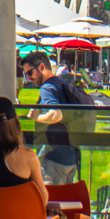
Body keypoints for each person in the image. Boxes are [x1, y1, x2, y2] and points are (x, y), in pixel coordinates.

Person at [23, 51, 86, 184]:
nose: (28, 78)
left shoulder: (47, 88)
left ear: (41, 67)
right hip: (71, 158)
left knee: (51, 203)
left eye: (29, 73)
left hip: (53, 160)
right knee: (66, 203)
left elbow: (55, 114)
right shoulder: (63, 84)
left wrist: (37, 117)